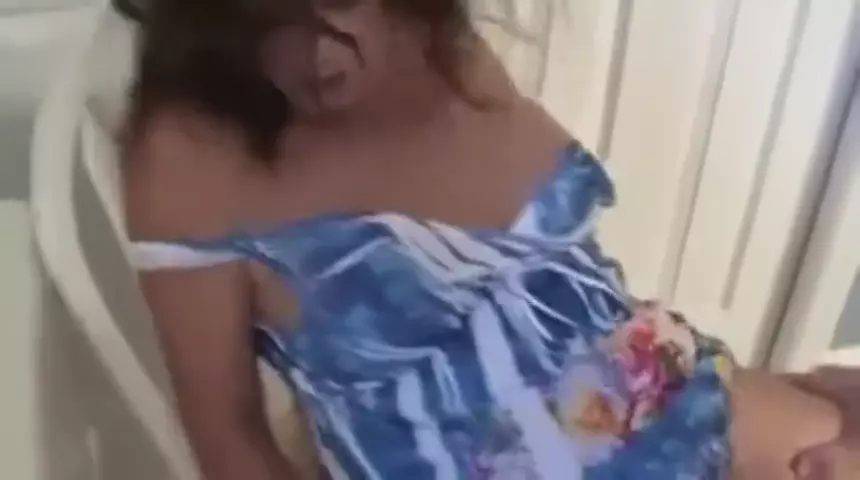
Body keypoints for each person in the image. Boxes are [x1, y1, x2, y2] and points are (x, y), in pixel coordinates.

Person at [122, 0, 846, 478]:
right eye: (269, 17)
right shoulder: (187, 153)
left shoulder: (438, 41)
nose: (320, 49)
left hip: (667, 393)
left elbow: (566, 292)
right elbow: (228, 433)